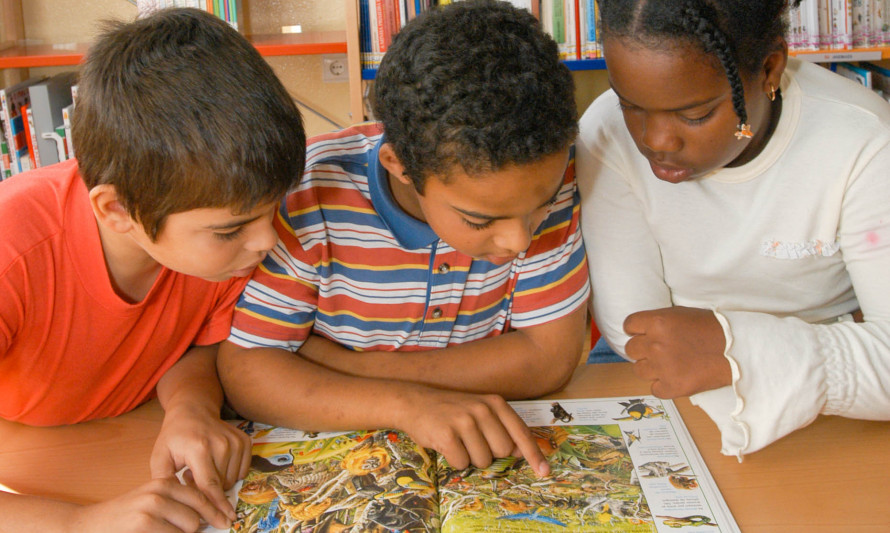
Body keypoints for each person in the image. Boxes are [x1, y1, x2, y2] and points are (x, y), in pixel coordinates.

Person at [217, 0, 589, 478]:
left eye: (542, 206)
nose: (519, 240)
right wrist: (405, 404)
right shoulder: (309, 195)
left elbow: (549, 359)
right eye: (479, 221)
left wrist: (360, 368)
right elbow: (247, 373)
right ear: (400, 166)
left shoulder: (538, 176)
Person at [0, 8, 306, 532]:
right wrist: (81, 525)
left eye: (273, 209)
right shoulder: (13, 252)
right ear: (117, 211)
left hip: (127, 428)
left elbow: (197, 343)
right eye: (232, 230)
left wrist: (189, 409)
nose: (269, 242)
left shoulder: (216, 234)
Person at [576, 0, 890, 458]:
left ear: (769, 69)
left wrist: (731, 347)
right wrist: (815, 349)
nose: (655, 141)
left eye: (695, 115)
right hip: (658, 368)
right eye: (631, 106)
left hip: (832, 404)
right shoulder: (604, 134)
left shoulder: (862, 138)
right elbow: (633, 334)